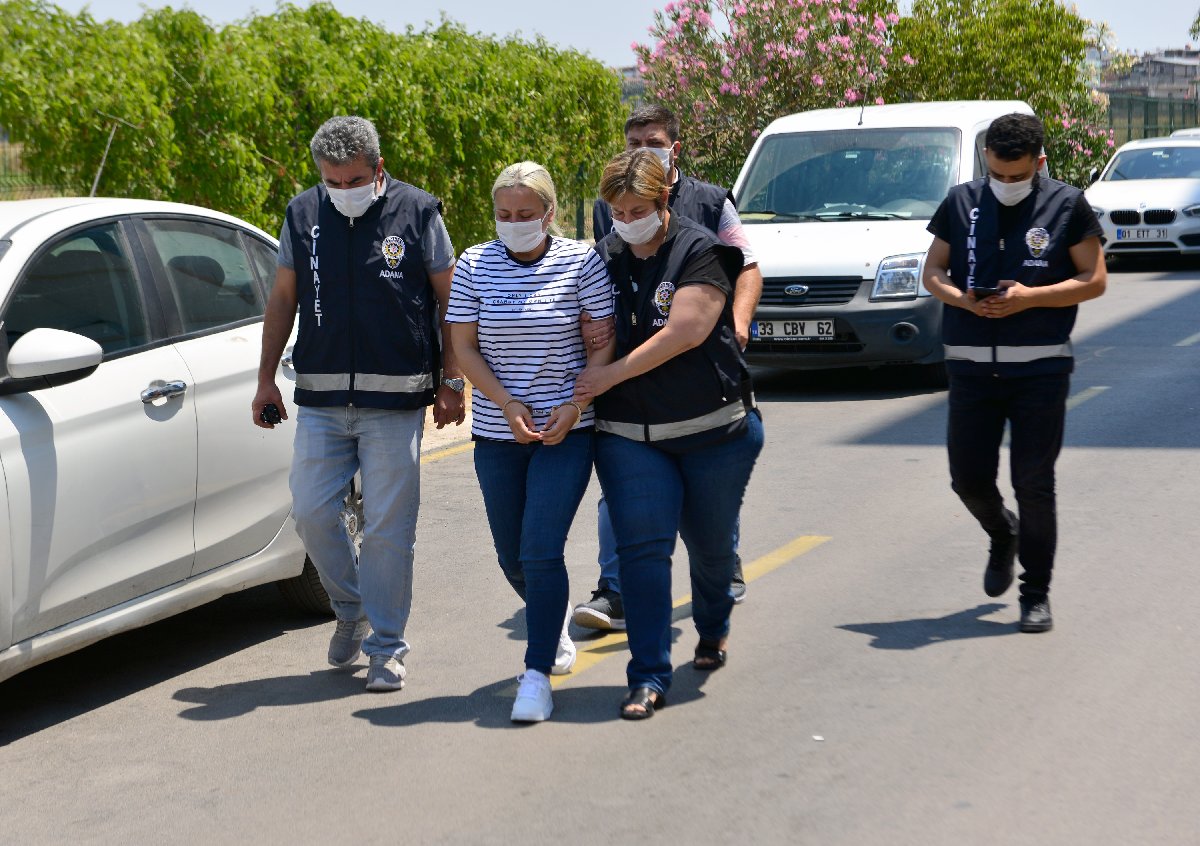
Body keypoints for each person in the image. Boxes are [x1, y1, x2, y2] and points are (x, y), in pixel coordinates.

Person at [253, 115, 465, 691]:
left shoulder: (417, 212)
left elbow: (451, 299)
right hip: (321, 398)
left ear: (378, 168)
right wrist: (266, 378)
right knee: (310, 511)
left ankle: (387, 648)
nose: (342, 191)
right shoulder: (302, 214)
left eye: (353, 180)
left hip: (395, 401)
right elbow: (283, 299)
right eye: (332, 181)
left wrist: (452, 379)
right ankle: (352, 607)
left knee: (388, 530)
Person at [574, 149, 764, 719]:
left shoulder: (701, 250)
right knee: (642, 552)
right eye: (616, 211)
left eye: (637, 210)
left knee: (711, 549)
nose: (626, 221)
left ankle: (713, 625)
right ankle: (648, 676)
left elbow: (686, 331)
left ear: (662, 201)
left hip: (713, 432)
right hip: (629, 435)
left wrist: (609, 374)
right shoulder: (601, 258)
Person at [921, 112, 1106, 633]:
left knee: (1034, 484)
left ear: (1039, 162)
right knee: (968, 479)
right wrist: (961, 299)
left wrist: (1030, 298)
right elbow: (932, 271)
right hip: (971, 370)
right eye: (997, 173)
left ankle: (1036, 595)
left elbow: (1094, 279)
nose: (1006, 183)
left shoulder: (1066, 204)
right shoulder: (960, 201)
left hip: (1040, 371)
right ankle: (1004, 533)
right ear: (986, 159)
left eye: (1017, 175)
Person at [447, 162, 614, 723]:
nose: (513, 223)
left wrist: (576, 405)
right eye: (504, 214)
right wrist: (505, 403)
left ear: (549, 213)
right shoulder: (475, 264)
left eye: (525, 214)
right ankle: (552, 619)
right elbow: (464, 347)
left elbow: (602, 343)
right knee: (511, 556)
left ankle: (536, 675)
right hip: (499, 433)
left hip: (567, 430)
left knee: (540, 549)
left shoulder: (580, 262)